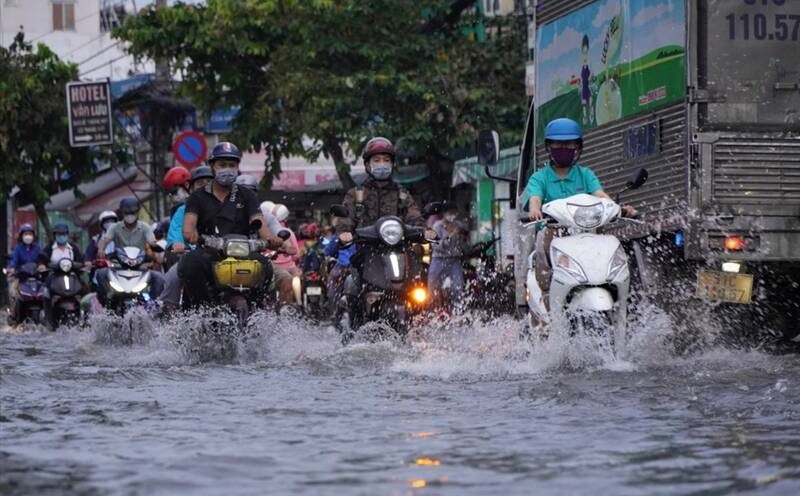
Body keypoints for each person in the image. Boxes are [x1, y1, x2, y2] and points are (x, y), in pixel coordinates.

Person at [522, 117, 636, 308]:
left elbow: (601, 197)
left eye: (569, 144)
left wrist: (619, 209)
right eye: (558, 144)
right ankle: (548, 300)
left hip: (588, 233)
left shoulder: (585, 174)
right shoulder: (539, 177)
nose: (564, 148)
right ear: (549, 147)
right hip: (555, 233)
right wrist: (535, 210)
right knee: (544, 246)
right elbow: (535, 198)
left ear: (578, 147)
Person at [178, 141, 284, 308]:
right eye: (222, 165)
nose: (227, 169)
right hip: (209, 252)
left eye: (231, 165)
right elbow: (189, 226)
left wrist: (272, 240)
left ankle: (258, 312)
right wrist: (190, 234)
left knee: (265, 266)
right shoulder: (197, 197)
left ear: (237, 167)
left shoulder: (247, 195)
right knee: (189, 264)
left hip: (242, 252)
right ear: (212, 166)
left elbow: (259, 223)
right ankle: (203, 310)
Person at [158, 165, 215, 310]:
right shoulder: (183, 210)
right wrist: (178, 244)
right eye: (200, 184)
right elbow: (176, 233)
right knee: (173, 276)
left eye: (209, 183)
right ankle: (170, 312)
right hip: (193, 256)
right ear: (191, 187)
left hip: (222, 256)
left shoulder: (226, 206)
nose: (205, 187)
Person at [95, 197, 164, 305]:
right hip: (119, 265)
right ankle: (107, 304)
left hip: (140, 265)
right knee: (101, 274)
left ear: (137, 212)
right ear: (122, 213)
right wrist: (101, 249)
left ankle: (154, 305)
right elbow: (105, 240)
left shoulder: (145, 227)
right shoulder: (115, 227)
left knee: (158, 277)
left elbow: (152, 241)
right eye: (127, 213)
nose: (130, 215)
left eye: (132, 212)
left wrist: (156, 248)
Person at [428, 202, 468, 309]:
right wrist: (449, 236)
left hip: (454, 260)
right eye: (450, 213)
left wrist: (461, 234)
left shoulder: (458, 225)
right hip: (439, 260)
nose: (452, 215)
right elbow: (436, 246)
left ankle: (457, 309)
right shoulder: (437, 226)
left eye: (454, 213)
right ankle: (431, 309)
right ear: (444, 214)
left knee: (457, 287)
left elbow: (465, 238)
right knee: (432, 286)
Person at [261, 203, 299, 305]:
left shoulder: (267, 219)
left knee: (288, 280)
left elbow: (280, 236)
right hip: (234, 260)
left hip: (261, 261)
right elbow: (296, 255)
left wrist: (285, 246)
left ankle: (284, 311)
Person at [6, 223, 43, 324]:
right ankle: (13, 314)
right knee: (13, 292)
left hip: (36, 278)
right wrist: (12, 269)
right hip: (21, 278)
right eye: (26, 234)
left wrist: (42, 265)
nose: (28, 236)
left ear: (33, 236)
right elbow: (14, 261)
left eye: (30, 234)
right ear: (21, 236)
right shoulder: (18, 249)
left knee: (46, 292)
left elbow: (42, 259)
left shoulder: (37, 248)